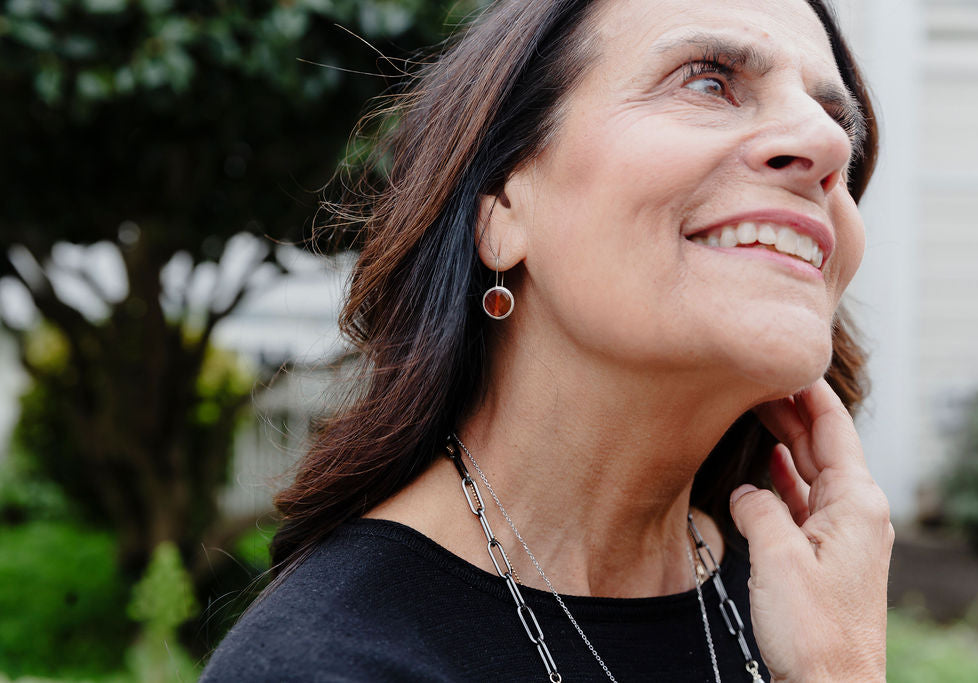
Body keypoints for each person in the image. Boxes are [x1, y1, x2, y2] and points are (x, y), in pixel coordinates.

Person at [202, 0, 894, 680]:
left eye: (838, 123)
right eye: (710, 81)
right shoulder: (322, 662)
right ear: (502, 209)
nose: (830, 145)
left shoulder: (810, 608)